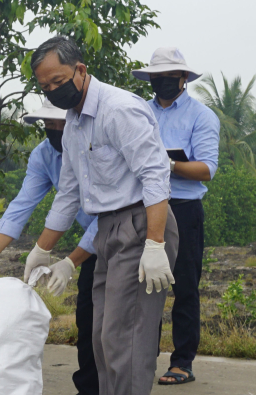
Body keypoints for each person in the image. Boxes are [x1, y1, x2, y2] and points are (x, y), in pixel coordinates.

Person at [25, 36, 179, 395]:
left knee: (124, 338)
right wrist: (42, 250)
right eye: (45, 87)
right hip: (105, 230)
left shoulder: (118, 109)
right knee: (102, 337)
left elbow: (155, 175)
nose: (52, 91)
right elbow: (68, 193)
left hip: (141, 225)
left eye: (58, 82)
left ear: (80, 70)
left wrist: (154, 245)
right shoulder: (74, 122)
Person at [0, 99, 101, 395]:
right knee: (87, 318)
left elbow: (110, 218)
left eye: (61, 123)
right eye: (49, 125)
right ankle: (90, 388)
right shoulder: (44, 155)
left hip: (127, 233)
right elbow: (21, 206)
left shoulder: (96, 150)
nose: (55, 130)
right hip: (94, 241)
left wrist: (70, 261)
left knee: (118, 322)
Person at [131, 48, 220, 386]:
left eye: (169, 76)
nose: (162, 82)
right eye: (157, 77)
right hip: (143, 206)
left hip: (182, 209)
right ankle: (142, 357)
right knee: (143, 284)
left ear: (183, 78)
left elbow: (206, 169)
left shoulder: (201, 116)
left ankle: (182, 361)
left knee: (183, 286)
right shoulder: (139, 112)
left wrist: (168, 165)